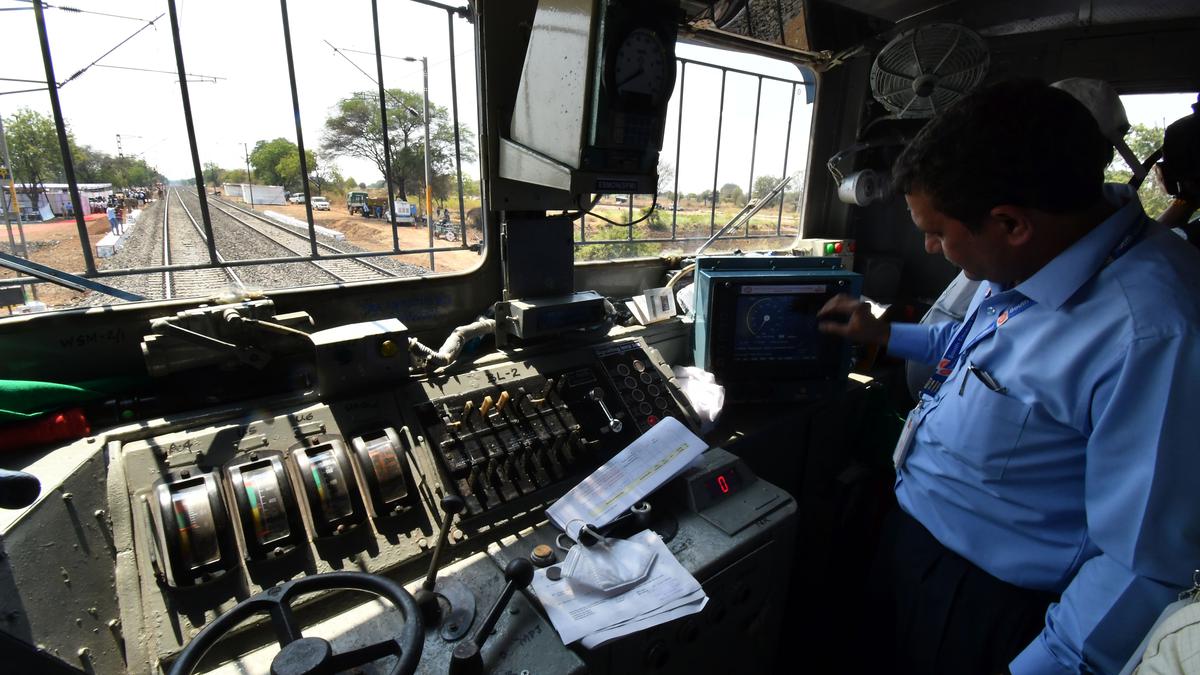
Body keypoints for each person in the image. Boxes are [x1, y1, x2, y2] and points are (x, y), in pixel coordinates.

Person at [818, 79, 1200, 674]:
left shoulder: (1154, 332)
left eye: (938, 233)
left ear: (1011, 222)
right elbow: (976, 353)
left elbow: (1146, 563)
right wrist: (885, 335)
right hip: (911, 540)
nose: (930, 246)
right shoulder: (1040, 253)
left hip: (988, 605)